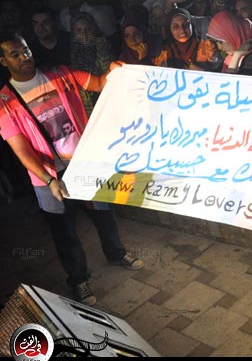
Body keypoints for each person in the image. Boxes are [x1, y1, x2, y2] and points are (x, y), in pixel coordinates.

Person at [0, 33, 144, 306]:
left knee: (104, 213)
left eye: (26, 50)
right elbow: (22, 151)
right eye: (15, 54)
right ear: (3, 61)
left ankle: (116, 253)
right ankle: (79, 280)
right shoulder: (5, 102)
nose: (24, 57)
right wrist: (48, 180)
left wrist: (113, 72)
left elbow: (99, 83)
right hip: (49, 177)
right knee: (64, 230)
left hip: (84, 163)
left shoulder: (60, 74)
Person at [152, 8, 222, 71]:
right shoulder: (162, 51)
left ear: (192, 26)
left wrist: (203, 71)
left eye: (186, 25)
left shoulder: (208, 47)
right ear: (170, 30)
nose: (182, 30)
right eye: (176, 26)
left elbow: (220, 74)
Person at [205, 10, 252, 75]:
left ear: (234, 36)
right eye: (216, 42)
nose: (219, 47)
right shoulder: (229, 57)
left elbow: (229, 80)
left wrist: (237, 55)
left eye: (221, 42)